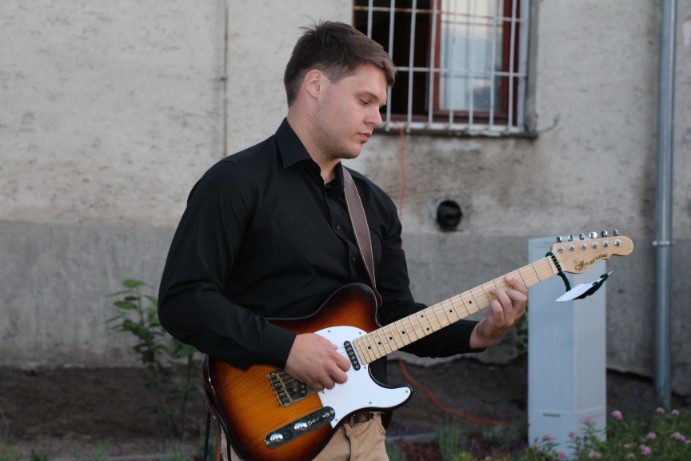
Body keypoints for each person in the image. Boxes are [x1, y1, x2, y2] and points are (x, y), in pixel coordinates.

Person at [158, 21, 527, 461]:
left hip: (366, 436)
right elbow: (184, 301)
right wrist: (288, 349)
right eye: (365, 101)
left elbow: (394, 316)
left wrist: (479, 335)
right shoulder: (235, 183)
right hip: (277, 436)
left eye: (380, 106)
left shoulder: (374, 204)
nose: (377, 119)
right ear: (315, 85)